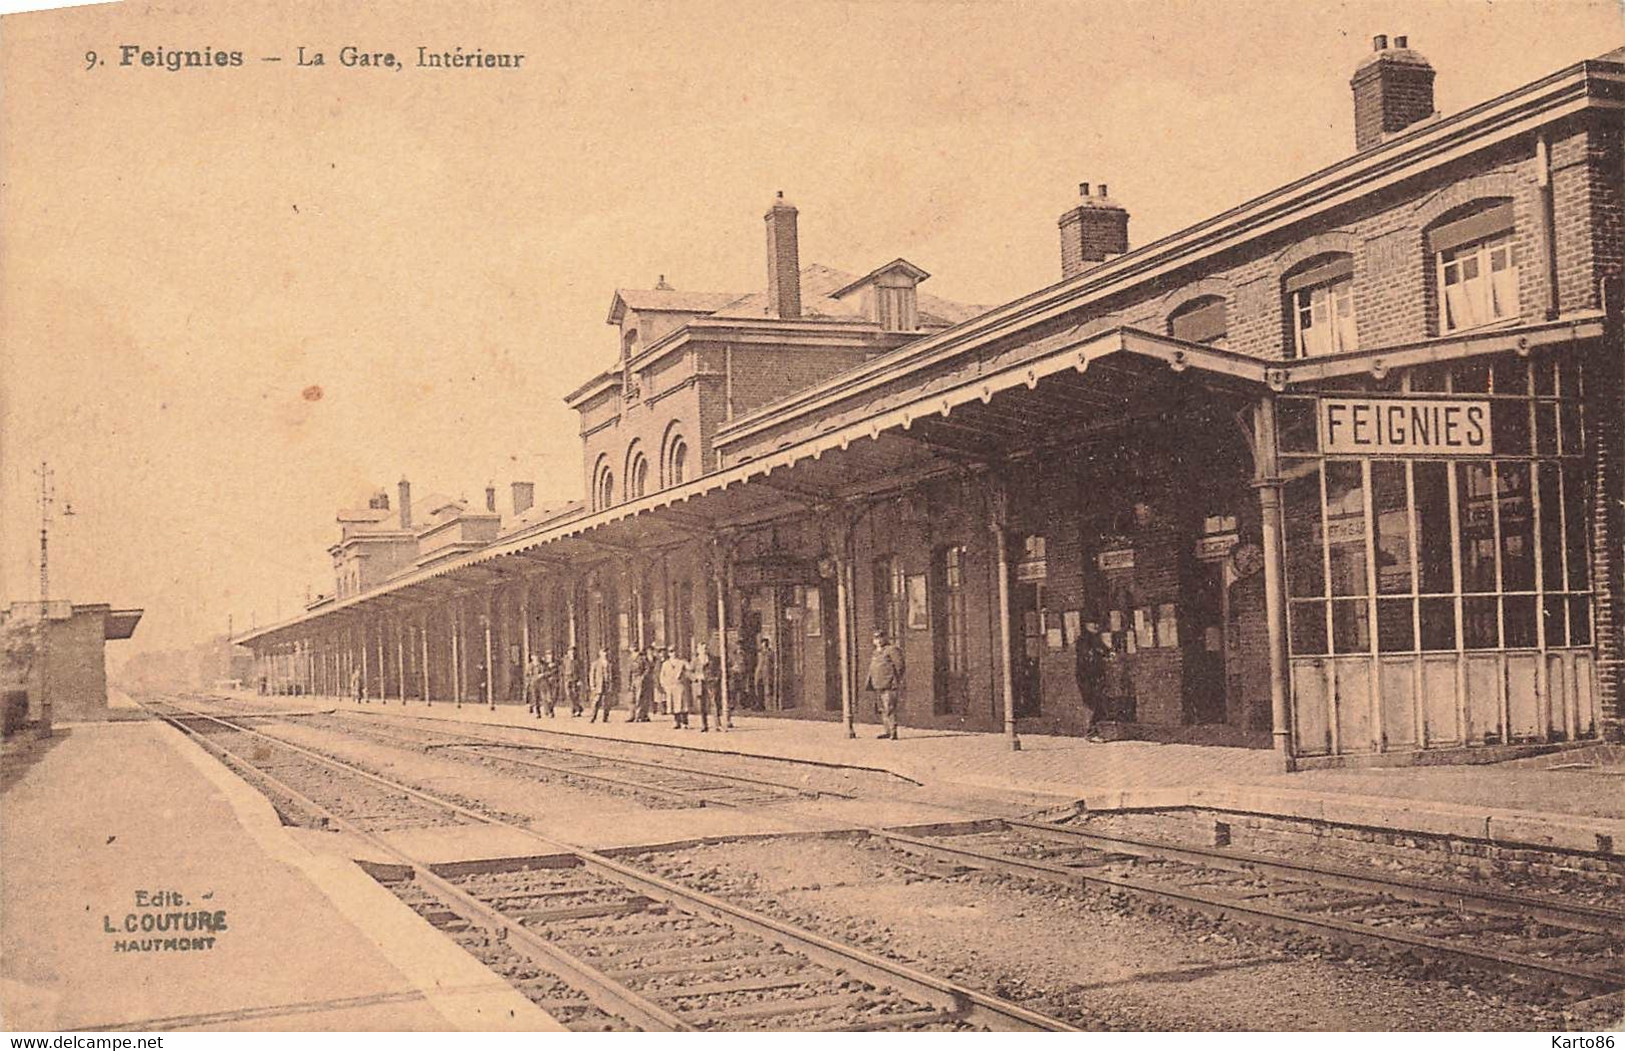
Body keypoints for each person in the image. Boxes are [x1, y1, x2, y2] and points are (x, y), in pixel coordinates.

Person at [865, 629, 905, 740]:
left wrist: (894, 679)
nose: (878, 641)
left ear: (885, 638)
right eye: (876, 638)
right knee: (882, 709)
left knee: (889, 708)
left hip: (889, 684)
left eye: (880, 638)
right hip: (877, 683)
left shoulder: (892, 650)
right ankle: (887, 731)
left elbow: (900, 666)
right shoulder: (876, 652)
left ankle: (893, 732)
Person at [1075, 623, 1109, 742]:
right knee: (1092, 704)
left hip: (1096, 676)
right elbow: (1087, 658)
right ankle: (1090, 732)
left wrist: (1108, 652)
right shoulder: (1084, 640)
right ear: (1086, 625)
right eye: (1092, 624)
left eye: (1097, 624)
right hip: (1087, 677)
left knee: (1098, 704)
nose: (1096, 626)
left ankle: (1093, 731)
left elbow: (1105, 650)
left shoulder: (1096, 639)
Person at [662, 646, 692, 729]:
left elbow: (690, 670)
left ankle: (685, 722)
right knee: (673, 704)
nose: (673, 653)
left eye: (674, 651)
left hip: (680, 685)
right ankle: (676, 721)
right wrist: (664, 685)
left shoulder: (681, 662)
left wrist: (686, 667)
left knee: (682, 703)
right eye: (671, 651)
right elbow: (662, 676)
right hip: (670, 686)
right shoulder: (665, 664)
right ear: (668, 653)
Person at [696, 641, 721, 732]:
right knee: (702, 705)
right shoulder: (695, 660)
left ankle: (717, 724)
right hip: (700, 684)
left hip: (711, 683)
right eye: (702, 648)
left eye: (706, 648)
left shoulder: (713, 659)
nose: (704, 650)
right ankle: (704, 725)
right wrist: (696, 677)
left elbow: (719, 670)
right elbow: (689, 671)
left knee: (714, 703)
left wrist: (716, 678)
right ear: (698, 650)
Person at [588, 647, 614, 723]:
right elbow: (592, 675)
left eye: (606, 652)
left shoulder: (610, 664)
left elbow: (614, 675)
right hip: (599, 686)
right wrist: (592, 685)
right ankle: (593, 717)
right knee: (596, 701)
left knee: (607, 702)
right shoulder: (595, 664)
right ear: (600, 653)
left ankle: (605, 718)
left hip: (607, 685)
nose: (605, 654)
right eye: (603, 652)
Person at [625, 647, 649, 722]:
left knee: (639, 698)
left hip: (639, 678)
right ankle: (632, 715)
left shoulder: (642, 658)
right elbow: (628, 670)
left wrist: (642, 677)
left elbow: (647, 668)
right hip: (631, 679)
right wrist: (628, 682)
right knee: (631, 698)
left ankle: (639, 716)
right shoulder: (629, 658)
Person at [753, 636, 776, 711]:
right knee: (758, 688)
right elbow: (759, 663)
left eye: (765, 644)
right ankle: (760, 704)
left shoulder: (770, 653)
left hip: (767, 672)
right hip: (759, 671)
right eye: (762, 644)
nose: (763, 646)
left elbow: (772, 662)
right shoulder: (760, 653)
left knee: (767, 689)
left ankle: (769, 706)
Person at [561, 645, 582, 717]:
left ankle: (574, 711)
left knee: (575, 695)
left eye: (573, 652)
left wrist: (580, 680)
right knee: (569, 695)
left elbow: (581, 671)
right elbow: (563, 669)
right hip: (567, 679)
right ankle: (578, 708)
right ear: (568, 652)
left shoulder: (578, 661)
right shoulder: (565, 660)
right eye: (570, 651)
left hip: (575, 679)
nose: (572, 653)